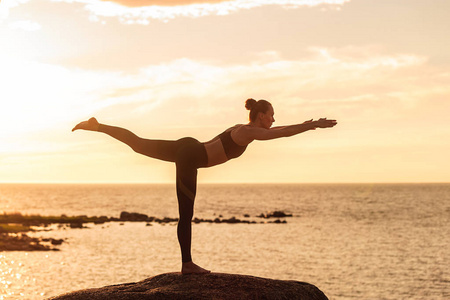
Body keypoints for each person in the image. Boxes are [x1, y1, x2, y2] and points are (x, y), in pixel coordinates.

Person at [72, 98, 337, 274]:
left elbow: (280, 129)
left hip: (190, 147)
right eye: (271, 116)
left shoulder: (242, 127)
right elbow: (280, 133)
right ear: (260, 115)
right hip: (190, 156)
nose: (273, 120)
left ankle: (98, 126)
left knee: (139, 144)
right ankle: (187, 265)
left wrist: (307, 124)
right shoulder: (249, 131)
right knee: (185, 213)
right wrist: (311, 125)